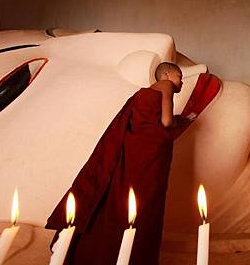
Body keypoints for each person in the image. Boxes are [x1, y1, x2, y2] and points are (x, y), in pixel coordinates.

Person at [46, 62, 205, 264]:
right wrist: (182, 120)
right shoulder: (165, 86)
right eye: (179, 77)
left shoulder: (142, 94)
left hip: (132, 151)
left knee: (120, 195)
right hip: (148, 154)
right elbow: (166, 122)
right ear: (166, 74)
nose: (181, 82)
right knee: (145, 201)